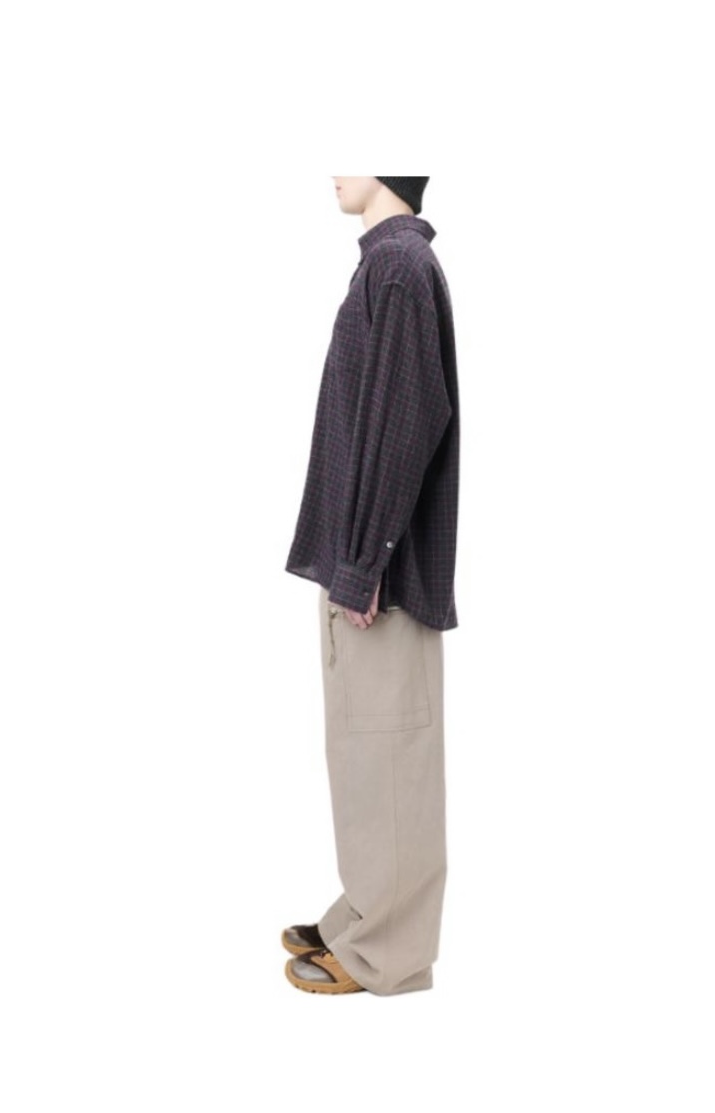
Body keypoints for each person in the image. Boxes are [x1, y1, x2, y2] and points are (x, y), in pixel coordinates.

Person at [282, 176, 461, 995]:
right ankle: (363, 914)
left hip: (379, 576)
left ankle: (388, 950)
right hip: (361, 565)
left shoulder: (398, 269)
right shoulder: (384, 265)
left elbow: (406, 423)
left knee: (389, 761)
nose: (331, 169)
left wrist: (363, 563)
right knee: (363, 756)